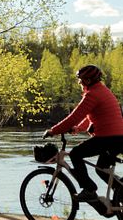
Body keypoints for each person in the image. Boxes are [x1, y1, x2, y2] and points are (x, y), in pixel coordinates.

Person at [44, 65, 123, 202]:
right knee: (101, 168)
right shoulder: (103, 91)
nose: (79, 82)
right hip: (117, 138)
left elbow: (74, 117)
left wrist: (53, 131)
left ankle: (89, 190)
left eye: (80, 79)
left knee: (76, 153)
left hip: (108, 138)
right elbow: (92, 116)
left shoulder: (92, 94)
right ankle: (121, 192)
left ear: (87, 80)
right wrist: (78, 128)